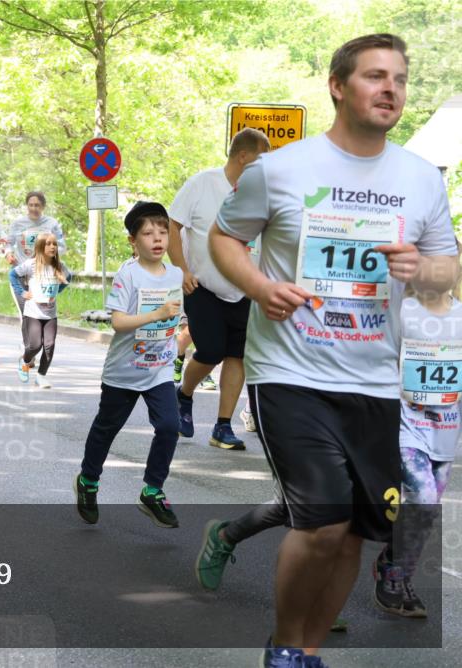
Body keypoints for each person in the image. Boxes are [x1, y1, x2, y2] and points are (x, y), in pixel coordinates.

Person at [209, 34, 458, 667]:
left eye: (399, 78)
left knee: (353, 530)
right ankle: (285, 650)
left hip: (375, 379)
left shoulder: (420, 179)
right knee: (320, 519)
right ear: (338, 86)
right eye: (375, 76)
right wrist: (260, 287)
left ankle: (308, 650)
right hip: (289, 370)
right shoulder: (281, 169)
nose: (391, 89)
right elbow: (223, 236)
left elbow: (446, 277)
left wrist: (420, 271)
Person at [75, 202, 183, 529]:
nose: (157, 238)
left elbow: (181, 317)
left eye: (162, 231)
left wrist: (179, 345)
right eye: (148, 233)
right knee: (107, 429)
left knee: (169, 425)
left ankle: (152, 490)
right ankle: (88, 481)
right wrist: (156, 315)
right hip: (124, 369)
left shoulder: (177, 274)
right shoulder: (128, 275)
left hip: (159, 370)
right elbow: (118, 323)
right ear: (132, 241)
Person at [167, 128, 271, 450]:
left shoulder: (263, 194)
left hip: (244, 289)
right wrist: (182, 269)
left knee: (236, 355)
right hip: (202, 285)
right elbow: (173, 224)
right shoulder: (203, 183)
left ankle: (223, 426)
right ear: (243, 156)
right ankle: (183, 394)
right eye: (261, 157)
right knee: (210, 350)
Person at [373, 253, 461, 618]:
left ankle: (396, 566)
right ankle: (393, 577)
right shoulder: (401, 311)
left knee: (426, 510)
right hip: (407, 426)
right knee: (422, 496)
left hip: (447, 430)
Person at [10, 233, 71, 388]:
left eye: (55, 244)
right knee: (35, 345)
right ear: (40, 246)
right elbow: (13, 275)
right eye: (48, 244)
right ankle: (24, 360)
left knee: (49, 345)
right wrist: (22, 292)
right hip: (33, 313)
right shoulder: (31, 265)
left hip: (50, 314)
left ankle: (41, 376)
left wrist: (57, 291)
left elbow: (69, 278)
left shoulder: (60, 266)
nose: (52, 247)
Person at [4, 191, 66, 318]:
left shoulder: (51, 223)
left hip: (43, 275)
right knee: (26, 314)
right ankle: (29, 338)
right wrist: (9, 254)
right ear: (27, 206)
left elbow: (62, 246)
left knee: (42, 314)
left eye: (37, 205)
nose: (34, 208)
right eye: (31, 205)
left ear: (43, 206)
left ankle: (40, 337)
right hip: (21, 273)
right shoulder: (18, 223)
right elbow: (8, 244)